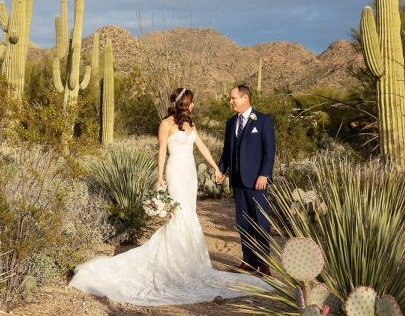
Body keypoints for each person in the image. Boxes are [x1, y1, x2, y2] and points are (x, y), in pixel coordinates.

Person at [69, 87, 271, 306]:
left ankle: (192, 261)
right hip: (175, 172)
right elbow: (162, 151)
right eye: (191, 102)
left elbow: (202, 146)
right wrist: (159, 178)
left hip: (191, 174)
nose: (193, 105)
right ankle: (175, 262)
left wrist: (216, 168)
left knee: (190, 215)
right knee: (179, 215)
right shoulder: (165, 124)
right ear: (184, 102)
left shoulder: (191, 124)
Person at [217, 84, 276, 276]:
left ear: (245, 98)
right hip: (238, 181)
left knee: (260, 221)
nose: (231, 101)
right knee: (243, 222)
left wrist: (264, 174)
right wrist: (221, 170)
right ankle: (248, 261)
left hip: (257, 181)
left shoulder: (263, 121)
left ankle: (264, 263)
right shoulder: (229, 123)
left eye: (233, 98)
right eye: (231, 98)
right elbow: (227, 151)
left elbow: (269, 151)